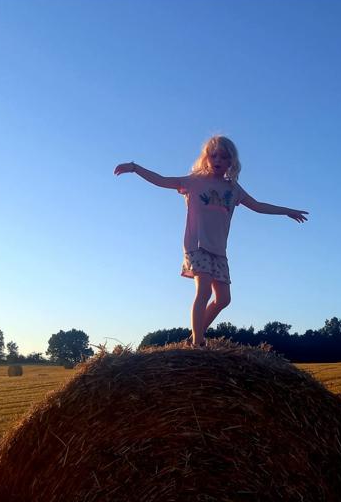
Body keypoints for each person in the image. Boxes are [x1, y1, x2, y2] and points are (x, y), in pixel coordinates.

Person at [114, 135, 308, 347]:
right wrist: (135, 167)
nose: (218, 160)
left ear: (231, 162)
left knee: (224, 299)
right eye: (213, 155)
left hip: (219, 250)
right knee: (204, 291)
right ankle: (198, 343)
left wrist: (287, 211)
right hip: (197, 245)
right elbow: (162, 180)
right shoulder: (194, 182)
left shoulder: (233, 189)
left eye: (224, 157)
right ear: (206, 158)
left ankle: (194, 335)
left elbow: (259, 205)